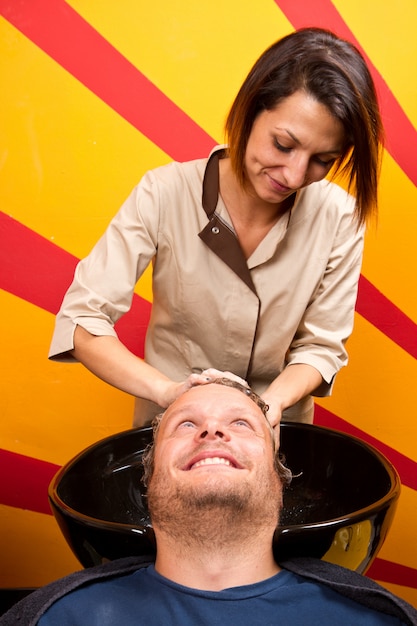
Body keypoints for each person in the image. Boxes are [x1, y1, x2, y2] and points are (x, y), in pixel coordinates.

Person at [49, 27, 383, 428]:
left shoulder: (341, 217)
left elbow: (321, 348)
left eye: (322, 160)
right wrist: (166, 392)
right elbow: (83, 321)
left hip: (277, 438)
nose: (295, 175)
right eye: (283, 144)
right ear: (250, 109)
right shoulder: (164, 192)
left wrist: (269, 407)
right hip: (171, 432)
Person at [2, 381, 416, 625]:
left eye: (240, 423)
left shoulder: (374, 620)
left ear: (279, 481)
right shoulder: (60, 618)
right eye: (186, 424)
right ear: (149, 483)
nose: (212, 431)